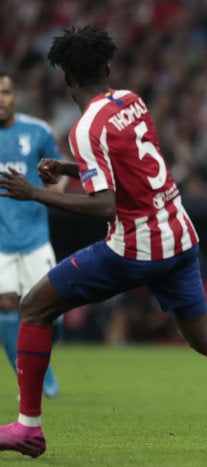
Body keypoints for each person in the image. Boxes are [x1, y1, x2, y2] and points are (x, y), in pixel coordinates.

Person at [0, 26, 207, 460]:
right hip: (180, 236)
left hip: (135, 249)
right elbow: (130, 167)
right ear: (107, 67)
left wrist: (35, 192)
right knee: (204, 337)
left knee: (34, 307)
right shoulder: (132, 101)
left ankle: (28, 427)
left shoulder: (85, 128)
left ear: (66, 80)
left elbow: (105, 206)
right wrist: (68, 170)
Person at [0, 71, 62, 399]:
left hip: (35, 234)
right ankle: (33, 378)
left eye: (6, 92)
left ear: (15, 96)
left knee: (48, 308)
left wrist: (60, 191)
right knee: (7, 303)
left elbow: (57, 173)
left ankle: (45, 353)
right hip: (0, 239)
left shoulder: (37, 131)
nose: (1, 99)